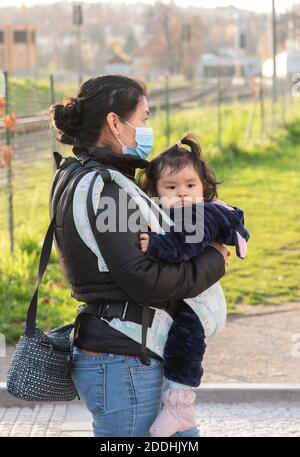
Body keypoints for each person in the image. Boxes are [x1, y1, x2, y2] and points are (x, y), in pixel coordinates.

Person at [48, 74, 230, 437]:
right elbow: (143, 279)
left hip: (135, 352)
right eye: (144, 118)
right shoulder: (106, 189)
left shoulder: (84, 177)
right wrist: (213, 260)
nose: (148, 128)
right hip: (124, 360)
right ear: (115, 123)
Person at [137, 133, 250, 436]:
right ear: (156, 192)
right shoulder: (173, 213)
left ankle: (180, 407)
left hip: (202, 308)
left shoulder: (198, 214)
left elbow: (182, 247)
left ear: (204, 187)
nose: (183, 193)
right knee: (178, 345)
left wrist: (157, 245)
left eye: (190, 186)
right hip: (197, 299)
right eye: (171, 187)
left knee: (183, 348)